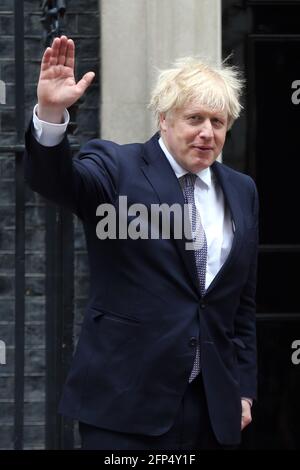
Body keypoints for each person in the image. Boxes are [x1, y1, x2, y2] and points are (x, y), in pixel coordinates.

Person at [24, 35, 258, 450]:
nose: (207, 133)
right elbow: (56, 182)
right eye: (195, 119)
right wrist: (53, 112)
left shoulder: (241, 191)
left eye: (218, 123)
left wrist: (242, 388)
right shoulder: (117, 168)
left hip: (212, 408)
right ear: (163, 119)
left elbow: (241, 304)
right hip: (125, 405)